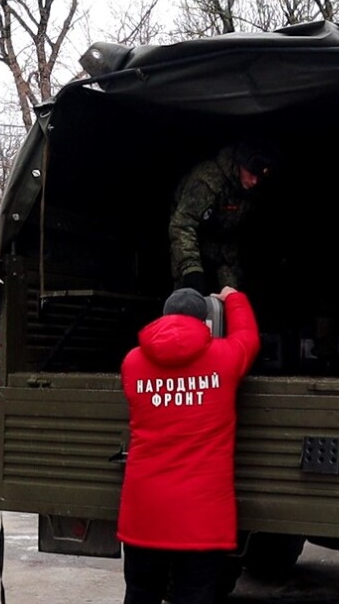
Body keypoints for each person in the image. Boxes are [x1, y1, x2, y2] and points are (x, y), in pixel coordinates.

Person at [117, 286, 261, 603]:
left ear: (164, 317)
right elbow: (249, 337)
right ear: (206, 322)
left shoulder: (132, 363)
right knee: (195, 594)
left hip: (146, 510)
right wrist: (234, 298)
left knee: (141, 592)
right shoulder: (225, 359)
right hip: (202, 514)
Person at [169, 138, 278, 295]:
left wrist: (230, 285)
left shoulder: (247, 191)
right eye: (251, 173)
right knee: (189, 297)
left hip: (222, 252)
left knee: (232, 300)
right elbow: (182, 226)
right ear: (240, 164)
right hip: (190, 244)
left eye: (259, 177)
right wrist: (190, 268)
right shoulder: (208, 181)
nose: (254, 181)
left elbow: (231, 237)